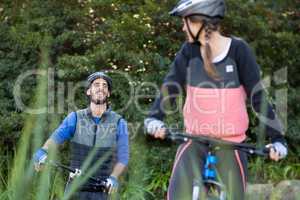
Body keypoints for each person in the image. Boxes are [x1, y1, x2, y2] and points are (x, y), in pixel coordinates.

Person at [144, 0, 287, 199]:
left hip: (231, 143)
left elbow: (258, 97)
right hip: (194, 140)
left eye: (187, 22)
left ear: (203, 22)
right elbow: (171, 86)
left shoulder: (239, 50)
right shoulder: (189, 51)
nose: (183, 27)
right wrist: (154, 118)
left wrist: (278, 140)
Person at [33, 71, 129, 200]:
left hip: (101, 192)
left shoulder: (119, 122)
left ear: (109, 93)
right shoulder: (75, 117)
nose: (101, 87)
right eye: (96, 84)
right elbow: (56, 138)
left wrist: (114, 177)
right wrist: (42, 152)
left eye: (105, 85)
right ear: (88, 91)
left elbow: (123, 158)